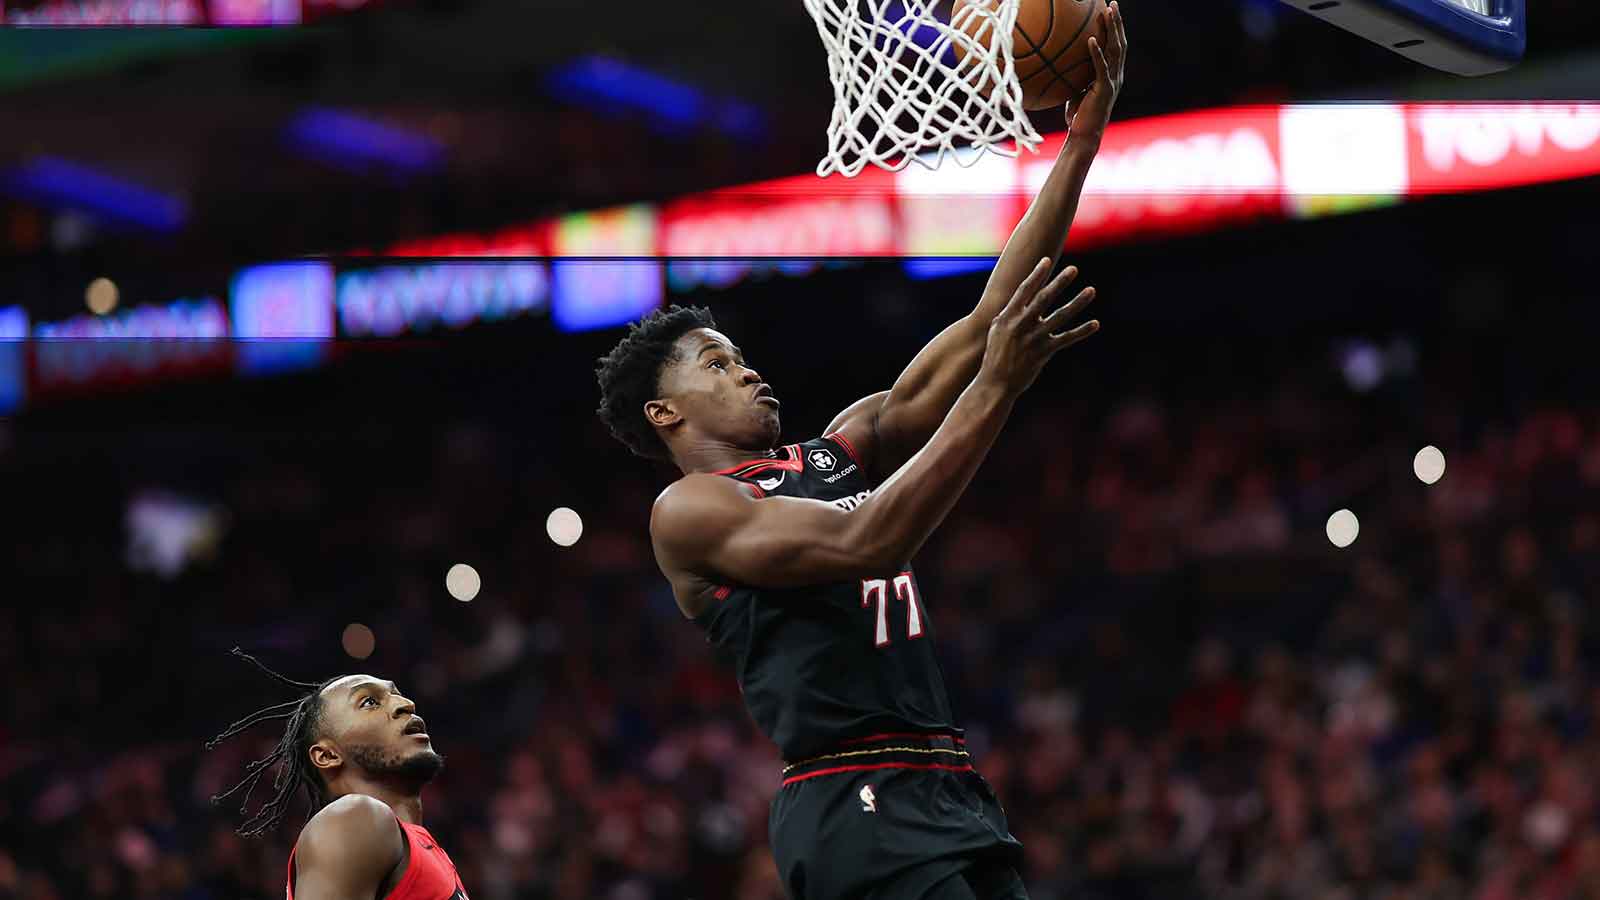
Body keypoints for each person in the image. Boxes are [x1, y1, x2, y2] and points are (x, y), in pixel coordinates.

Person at [593, 8, 1127, 898]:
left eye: (741, 355)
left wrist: (1079, 146)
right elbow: (865, 544)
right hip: (851, 793)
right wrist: (997, 387)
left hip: (947, 778)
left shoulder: (836, 448)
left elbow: (986, 322)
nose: (747, 369)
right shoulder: (690, 513)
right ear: (665, 414)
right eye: (716, 365)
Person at [205, 649, 468, 900]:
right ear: (328, 755)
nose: (406, 704)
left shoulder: (417, 847)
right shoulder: (356, 817)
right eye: (369, 702)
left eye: (397, 694)